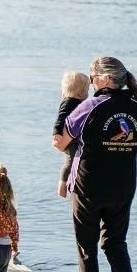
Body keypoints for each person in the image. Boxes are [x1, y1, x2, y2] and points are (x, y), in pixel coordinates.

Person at [55, 56, 137, 272]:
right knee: (115, 240)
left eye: (92, 76)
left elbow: (61, 139)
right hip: (123, 184)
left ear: (105, 79)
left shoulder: (90, 106)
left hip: (88, 184)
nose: (90, 82)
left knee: (86, 245)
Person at [53, 70, 88, 198]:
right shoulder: (69, 102)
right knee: (71, 162)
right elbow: (60, 118)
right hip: (68, 139)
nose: (88, 94)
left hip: (73, 137)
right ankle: (63, 185)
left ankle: (66, 185)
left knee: (70, 161)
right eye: (86, 91)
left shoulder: (76, 102)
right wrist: (56, 132)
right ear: (80, 92)